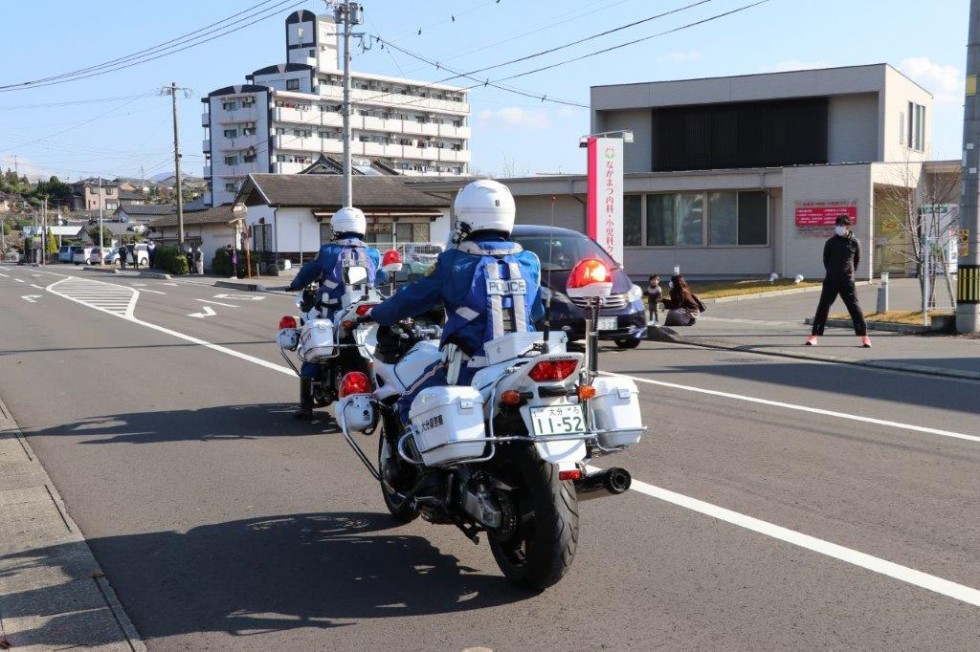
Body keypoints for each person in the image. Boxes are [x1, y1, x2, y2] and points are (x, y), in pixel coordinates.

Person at [368, 179, 544, 424]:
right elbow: (536, 312)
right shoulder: (529, 262)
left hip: (470, 368)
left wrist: (378, 314)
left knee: (409, 405)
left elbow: (413, 297)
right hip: (523, 366)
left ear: (466, 217)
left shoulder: (455, 261)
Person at [286, 206, 386, 420]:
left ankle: (306, 406)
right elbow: (381, 277)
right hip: (364, 315)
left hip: (332, 314)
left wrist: (295, 284)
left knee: (313, 348)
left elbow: (307, 273)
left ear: (337, 228)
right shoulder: (373, 253)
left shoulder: (329, 251)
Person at [806, 214, 871, 348]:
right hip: (831, 281)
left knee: (854, 308)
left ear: (847, 227)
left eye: (841, 226)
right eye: (837, 225)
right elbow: (826, 260)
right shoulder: (830, 242)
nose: (838, 228)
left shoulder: (854, 242)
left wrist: (849, 273)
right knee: (823, 307)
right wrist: (832, 271)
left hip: (847, 281)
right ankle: (813, 336)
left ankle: (865, 337)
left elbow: (856, 261)